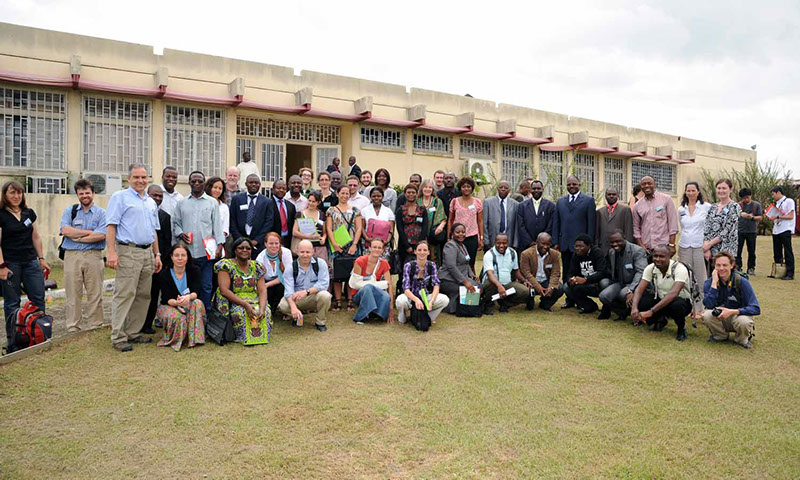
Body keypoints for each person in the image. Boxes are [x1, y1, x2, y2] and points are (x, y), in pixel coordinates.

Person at [105, 163, 163, 352]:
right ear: (129, 178)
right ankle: (118, 336)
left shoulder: (150, 202)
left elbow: (154, 231)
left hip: (147, 253)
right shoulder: (120, 197)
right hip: (128, 251)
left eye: (143, 177)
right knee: (124, 294)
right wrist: (111, 252)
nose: (140, 180)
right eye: (136, 177)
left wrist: (157, 254)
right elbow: (111, 225)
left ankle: (133, 331)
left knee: (143, 295)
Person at [0, 181, 49, 353]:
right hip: (11, 264)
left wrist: (41, 259)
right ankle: (13, 341)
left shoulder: (29, 213)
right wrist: (2, 266)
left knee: (38, 298)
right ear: (5, 195)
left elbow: (36, 237)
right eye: (12, 193)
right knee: (12, 303)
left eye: (19, 193)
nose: (16, 196)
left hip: (31, 262)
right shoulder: (1, 215)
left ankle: (40, 334)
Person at [172, 171, 224, 311]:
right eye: (193, 181)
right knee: (188, 285)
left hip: (206, 252)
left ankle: (204, 313)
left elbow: (217, 226)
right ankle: (188, 313)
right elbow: (176, 223)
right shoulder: (181, 203)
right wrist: (180, 233)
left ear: (204, 183)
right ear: (189, 182)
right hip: (187, 253)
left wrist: (220, 245)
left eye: (200, 181)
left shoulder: (212, 203)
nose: (196, 183)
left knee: (206, 285)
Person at [59, 178, 107, 333]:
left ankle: (95, 325)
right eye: (81, 193)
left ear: (93, 193)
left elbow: (101, 235)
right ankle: (73, 326)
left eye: (87, 192)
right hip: (72, 256)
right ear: (77, 195)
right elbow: (65, 230)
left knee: (95, 293)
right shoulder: (70, 211)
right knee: (73, 293)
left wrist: (77, 237)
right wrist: (89, 233)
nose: (85, 196)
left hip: (94, 256)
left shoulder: (101, 213)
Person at [213, 237, 270, 344]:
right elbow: (224, 290)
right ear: (235, 250)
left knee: (265, 312)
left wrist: (262, 307)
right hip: (233, 299)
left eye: (248, 248)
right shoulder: (226, 265)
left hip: (253, 298)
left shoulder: (257, 266)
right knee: (241, 313)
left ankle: (259, 338)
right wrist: (245, 304)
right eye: (241, 248)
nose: (245, 250)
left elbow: (262, 290)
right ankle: (240, 337)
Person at [630, 245, 692, 341]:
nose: (658, 259)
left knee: (677, 305)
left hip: (681, 301)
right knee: (640, 300)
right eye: (655, 256)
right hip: (661, 298)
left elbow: (673, 293)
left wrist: (651, 311)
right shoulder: (650, 268)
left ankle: (681, 328)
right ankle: (660, 320)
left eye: (662, 256)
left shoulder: (680, 269)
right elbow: (639, 289)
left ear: (669, 256)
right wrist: (634, 308)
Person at [701, 251, 760, 349]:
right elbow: (708, 304)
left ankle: (742, 340)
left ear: (732, 265)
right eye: (718, 265)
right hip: (721, 317)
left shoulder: (741, 281)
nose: (721, 268)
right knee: (706, 314)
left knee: (744, 321)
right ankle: (720, 336)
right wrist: (714, 283)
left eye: (725, 265)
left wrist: (733, 311)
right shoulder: (709, 282)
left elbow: (755, 308)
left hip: (738, 317)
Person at [553, 175, 596, 307]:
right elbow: (556, 223)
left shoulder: (588, 201)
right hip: (565, 244)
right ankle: (569, 299)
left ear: (579, 185)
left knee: (580, 272)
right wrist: (556, 241)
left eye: (574, 184)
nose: (571, 186)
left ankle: (580, 300)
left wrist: (589, 244)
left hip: (581, 246)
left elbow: (591, 224)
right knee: (567, 272)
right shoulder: (560, 201)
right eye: (569, 184)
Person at [155, 243, 205, 352]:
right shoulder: (164, 274)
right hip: (170, 305)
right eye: (176, 255)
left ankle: (194, 339)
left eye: (183, 255)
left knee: (197, 303)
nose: (180, 258)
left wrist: (188, 297)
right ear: (171, 257)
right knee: (178, 317)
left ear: (188, 257)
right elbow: (167, 298)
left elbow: (196, 292)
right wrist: (178, 303)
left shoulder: (194, 271)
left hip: (188, 302)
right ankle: (177, 340)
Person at [279, 240, 332, 331]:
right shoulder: (291, 267)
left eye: (308, 252)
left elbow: (324, 284)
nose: (305, 255)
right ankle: (297, 317)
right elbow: (288, 291)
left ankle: (320, 322)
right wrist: (293, 308)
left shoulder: (321, 263)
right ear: (297, 251)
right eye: (302, 252)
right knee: (283, 305)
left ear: (313, 252)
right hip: (297, 298)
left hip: (313, 296)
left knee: (325, 295)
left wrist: (307, 292)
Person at [326, 185, 363, 312]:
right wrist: (334, 244)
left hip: (351, 245)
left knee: (350, 273)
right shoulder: (331, 210)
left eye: (347, 193)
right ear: (337, 194)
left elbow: (359, 228)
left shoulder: (355, 210)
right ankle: (338, 301)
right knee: (337, 273)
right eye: (342, 193)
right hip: (337, 245)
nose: (345, 196)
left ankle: (350, 300)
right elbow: (329, 228)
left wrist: (354, 244)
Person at [142, 185, 173, 334]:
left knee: (154, 293)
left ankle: (148, 324)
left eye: (160, 196)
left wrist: (165, 262)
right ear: (147, 195)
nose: (157, 198)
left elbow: (167, 241)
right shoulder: (139, 212)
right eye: (154, 195)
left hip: (158, 262)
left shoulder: (165, 216)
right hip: (141, 256)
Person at [598, 230, 648, 320]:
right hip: (620, 282)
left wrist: (631, 289)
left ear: (624, 238)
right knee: (603, 296)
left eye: (618, 241)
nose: (615, 244)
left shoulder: (637, 251)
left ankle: (636, 312)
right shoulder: (611, 252)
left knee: (622, 294)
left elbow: (641, 272)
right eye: (612, 242)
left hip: (635, 284)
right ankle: (622, 311)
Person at [396, 241, 449, 324]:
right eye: (419, 250)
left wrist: (431, 301)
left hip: (426, 296)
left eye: (425, 250)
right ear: (415, 252)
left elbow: (436, 285)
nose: (422, 252)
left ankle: (428, 318)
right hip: (410, 297)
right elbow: (406, 288)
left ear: (428, 252)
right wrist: (416, 300)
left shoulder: (432, 265)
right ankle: (403, 318)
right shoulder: (408, 266)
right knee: (400, 300)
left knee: (444, 299)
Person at [678, 181, 711, 306]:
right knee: (686, 276)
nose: (691, 193)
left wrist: (707, 246)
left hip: (699, 246)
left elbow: (709, 227)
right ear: (685, 192)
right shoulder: (681, 209)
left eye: (693, 190)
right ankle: (688, 306)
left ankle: (701, 307)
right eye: (688, 190)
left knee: (700, 277)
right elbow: (682, 227)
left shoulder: (706, 207)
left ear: (698, 192)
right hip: (684, 245)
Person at [480, 233, 531, 314]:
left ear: (508, 243)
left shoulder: (512, 253)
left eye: (504, 243)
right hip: (493, 284)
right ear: (494, 243)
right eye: (498, 243)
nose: (501, 246)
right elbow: (490, 274)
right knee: (490, 283)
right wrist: (499, 286)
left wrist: (524, 280)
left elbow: (516, 271)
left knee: (525, 291)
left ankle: (505, 304)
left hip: (507, 284)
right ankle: (488, 305)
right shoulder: (489, 254)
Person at [229, 174, 275, 257]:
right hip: (238, 243)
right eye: (251, 182)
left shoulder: (267, 202)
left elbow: (268, 223)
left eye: (256, 183)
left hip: (258, 244)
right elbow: (232, 220)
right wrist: (240, 240)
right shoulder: (237, 199)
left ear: (259, 184)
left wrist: (257, 240)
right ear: (246, 184)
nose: (253, 185)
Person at [349, 238, 394, 324]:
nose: (377, 250)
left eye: (379, 248)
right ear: (369, 248)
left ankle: (376, 314)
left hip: (373, 292)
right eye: (374, 247)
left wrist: (391, 308)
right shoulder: (360, 261)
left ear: (383, 250)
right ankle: (360, 317)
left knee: (386, 296)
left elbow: (389, 285)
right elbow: (354, 283)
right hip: (359, 294)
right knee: (368, 287)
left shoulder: (384, 263)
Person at [633, 175, 679, 258]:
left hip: (664, 247)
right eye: (644, 184)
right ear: (641, 186)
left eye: (649, 183)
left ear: (655, 184)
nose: (647, 186)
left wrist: (672, 244)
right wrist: (640, 245)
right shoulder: (637, 205)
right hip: (647, 249)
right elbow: (636, 228)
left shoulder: (666, 199)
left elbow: (673, 223)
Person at [561, 234, 608, 314]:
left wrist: (586, 279)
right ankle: (589, 306)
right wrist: (571, 280)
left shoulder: (597, 252)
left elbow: (602, 272)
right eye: (576, 246)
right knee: (566, 286)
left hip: (597, 282)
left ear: (589, 246)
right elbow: (571, 272)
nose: (577, 248)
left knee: (605, 283)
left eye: (581, 246)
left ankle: (607, 308)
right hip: (583, 283)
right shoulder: (575, 255)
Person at [439, 223, 479, 314]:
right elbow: (451, 267)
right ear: (452, 233)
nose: (461, 234)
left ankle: (468, 308)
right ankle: (450, 308)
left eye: (463, 232)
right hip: (447, 279)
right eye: (458, 232)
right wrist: (465, 282)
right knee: (472, 287)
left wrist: (472, 276)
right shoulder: (450, 246)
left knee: (477, 285)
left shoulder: (462, 246)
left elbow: (466, 263)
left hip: (459, 277)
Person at [519, 232, 563, 311]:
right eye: (543, 244)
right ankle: (529, 301)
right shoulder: (526, 254)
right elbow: (526, 273)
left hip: (545, 281)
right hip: (531, 282)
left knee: (560, 288)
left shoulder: (555, 254)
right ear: (537, 242)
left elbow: (555, 272)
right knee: (525, 291)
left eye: (548, 244)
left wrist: (551, 287)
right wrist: (538, 287)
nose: (545, 247)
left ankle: (545, 304)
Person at [447, 176, 484, 270]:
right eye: (463, 186)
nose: (466, 189)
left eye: (468, 186)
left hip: (472, 236)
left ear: (472, 188)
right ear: (460, 188)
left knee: (471, 263)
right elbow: (450, 220)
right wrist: (448, 237)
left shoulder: (477, 202)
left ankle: (472, 278)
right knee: (457, 262)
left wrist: (481, 238)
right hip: (457, 237)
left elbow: (480, 221)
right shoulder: (454, 201)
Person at [703, 178, 741, 263]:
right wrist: (706, 247)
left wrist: (709, 244)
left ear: (730, 189)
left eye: (724, 188)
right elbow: (707, 227)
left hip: (726, 251)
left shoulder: (734, 207)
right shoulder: (713, 207)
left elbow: (727, 230)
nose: (721, 191)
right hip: (710, 251)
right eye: (719, 188)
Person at [255, 232, 292, 316]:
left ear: (280, 244)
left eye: (276, 243)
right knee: (269, 291)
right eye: (271, 243)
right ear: (265, 244)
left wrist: (267, 285)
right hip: (265, 281)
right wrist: (265, 286)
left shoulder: (286, 253)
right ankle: (270, 310)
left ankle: (283, 310)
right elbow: (258, 277)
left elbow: (286, 276)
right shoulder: (260, 258)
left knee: (281, 288)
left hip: (283, 281)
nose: (274, 246)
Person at [396, 184, 430, 268]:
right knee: (404, 268)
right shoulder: (400, 210)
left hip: (420, 244)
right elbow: (400, 228)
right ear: (405, 194)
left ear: (417, 194)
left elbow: (425, 226)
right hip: (404, 244)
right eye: (408, 192)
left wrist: (418, 245)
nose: (411, 194)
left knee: (421, 267)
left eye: (413, 192)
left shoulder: (422, 209)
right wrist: (407, 246)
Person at [517, 180, 556, 249]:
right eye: (534, 189)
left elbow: (550, 225)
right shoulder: (522, 206)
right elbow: (521, 226)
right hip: (527, 246)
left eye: (539, 188)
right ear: (530, 190)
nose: (536, 191)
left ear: (543, 189)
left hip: (545, 245)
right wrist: (530, 242)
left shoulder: (551, 206)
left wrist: (542, 241)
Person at [360, 186, 395, 263]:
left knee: (382, 265)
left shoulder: (388, 211)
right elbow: (362, 227)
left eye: (379, 196)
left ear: (382, 197)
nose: (376, 198)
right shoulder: (364, 210)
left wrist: (386, 241)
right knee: (368, 265)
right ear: (370, 197)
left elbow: (391, 229)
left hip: (384, 245)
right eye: (374, 196)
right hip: (369, 244)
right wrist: (367, 238)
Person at [595, 187, 633, 255]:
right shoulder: (599, 212)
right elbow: (597, 233)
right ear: (605, 196)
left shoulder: (625, 210)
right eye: (609, 194)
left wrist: (628, 249)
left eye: (614, 194)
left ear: (618, 195)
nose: (611, 196)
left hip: (620, 248)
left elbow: (629, 231)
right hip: (603, 248)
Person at [292, 191, 329, 261]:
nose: (311, 203)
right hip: (305, 248)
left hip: (319, 248)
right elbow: (295, 232)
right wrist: (310, 237)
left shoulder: (322, 215)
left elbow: (324, 232)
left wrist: (323, 238)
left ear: (318, 202)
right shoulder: (300, 214)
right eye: (309, 201)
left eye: (313, 202)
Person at [768, 186, 795, 280]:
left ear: (778, 192)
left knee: (787, 251)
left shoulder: (789, 201)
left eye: (773, 194)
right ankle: (778, 272)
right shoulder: (777, 203)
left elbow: (791, 216)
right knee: (777, 252)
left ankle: (790, 273)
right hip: (776, 229)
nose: (773, 196)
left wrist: (778, 217)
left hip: (785, 229)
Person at [483, 180, 519, 250]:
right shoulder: (488, 202)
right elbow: (484, 223)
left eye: (506, 188)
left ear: (509, 190)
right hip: (492, 240)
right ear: (497, 189)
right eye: (501, 187)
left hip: (509, 240)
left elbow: (516, 225)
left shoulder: (515, 204)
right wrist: (486, 241)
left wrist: (515, 243)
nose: (503, 189)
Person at [417, 179, 447, 263]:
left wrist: (440, 227)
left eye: (430, 187)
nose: (428, 189)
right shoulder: (417, 201)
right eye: (425, 187)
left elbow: (443, 218)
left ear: (433, 189)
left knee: (434, 258)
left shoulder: (437, 201)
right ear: (421, 188)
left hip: (433, 235)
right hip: (419, 234)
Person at [737, 188, 762, 275]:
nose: (746, 199)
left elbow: (760, 217)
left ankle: (751, 268)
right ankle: (738, 267)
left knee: (751, 251)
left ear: (750, 196)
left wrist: (752, 217)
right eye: (744, 198)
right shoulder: (738, 205)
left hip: (751, 231)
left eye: (747, 197)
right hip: (740, 230)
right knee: (738, 250)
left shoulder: (756, 205)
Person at [271, 179, 296, 249]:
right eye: (278, 188)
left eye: (284, 189)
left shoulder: (291, 206)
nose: (281, 190)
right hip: (272, 240)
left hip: (288, 241)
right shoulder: (267, 204)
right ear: (273, 190)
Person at [205, 176, 230, 241]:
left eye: (220, 188)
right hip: (203, 239)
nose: (217, 190)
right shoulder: (202, 204)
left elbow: (225, 227)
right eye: (215, 187)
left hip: (218, 241)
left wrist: (220, 240)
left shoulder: (224, 207)